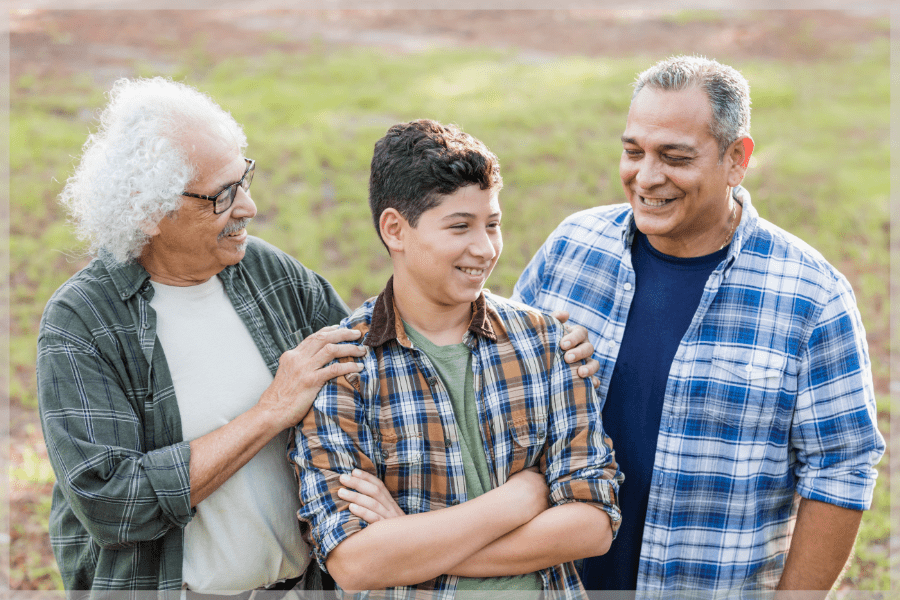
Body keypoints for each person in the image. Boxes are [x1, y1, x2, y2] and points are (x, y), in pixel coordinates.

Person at [36, 77, 597, 595]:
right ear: (148, 211)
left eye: (245, 179)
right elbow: (113, 502)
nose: (249, 207)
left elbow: (379, 358)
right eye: (223, 195)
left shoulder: (267, 275)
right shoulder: (83, 323)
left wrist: (548, 345)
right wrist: (267, 413)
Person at [512, 55, 885, 594]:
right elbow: (494, 394)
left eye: (675, 157)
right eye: (633, 151)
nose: (646, 176)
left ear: (737, 159)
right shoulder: (572, 248)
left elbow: (841, 469)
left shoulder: (813, 298)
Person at [290, 119, 624, 598]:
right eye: (460, 227)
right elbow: (356, 561)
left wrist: (409, 539)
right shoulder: (344, 367)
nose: (485, 249)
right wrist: (517, 500)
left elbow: (592, 524)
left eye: (492, 224)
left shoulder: (549, 344)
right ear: (395, 229)